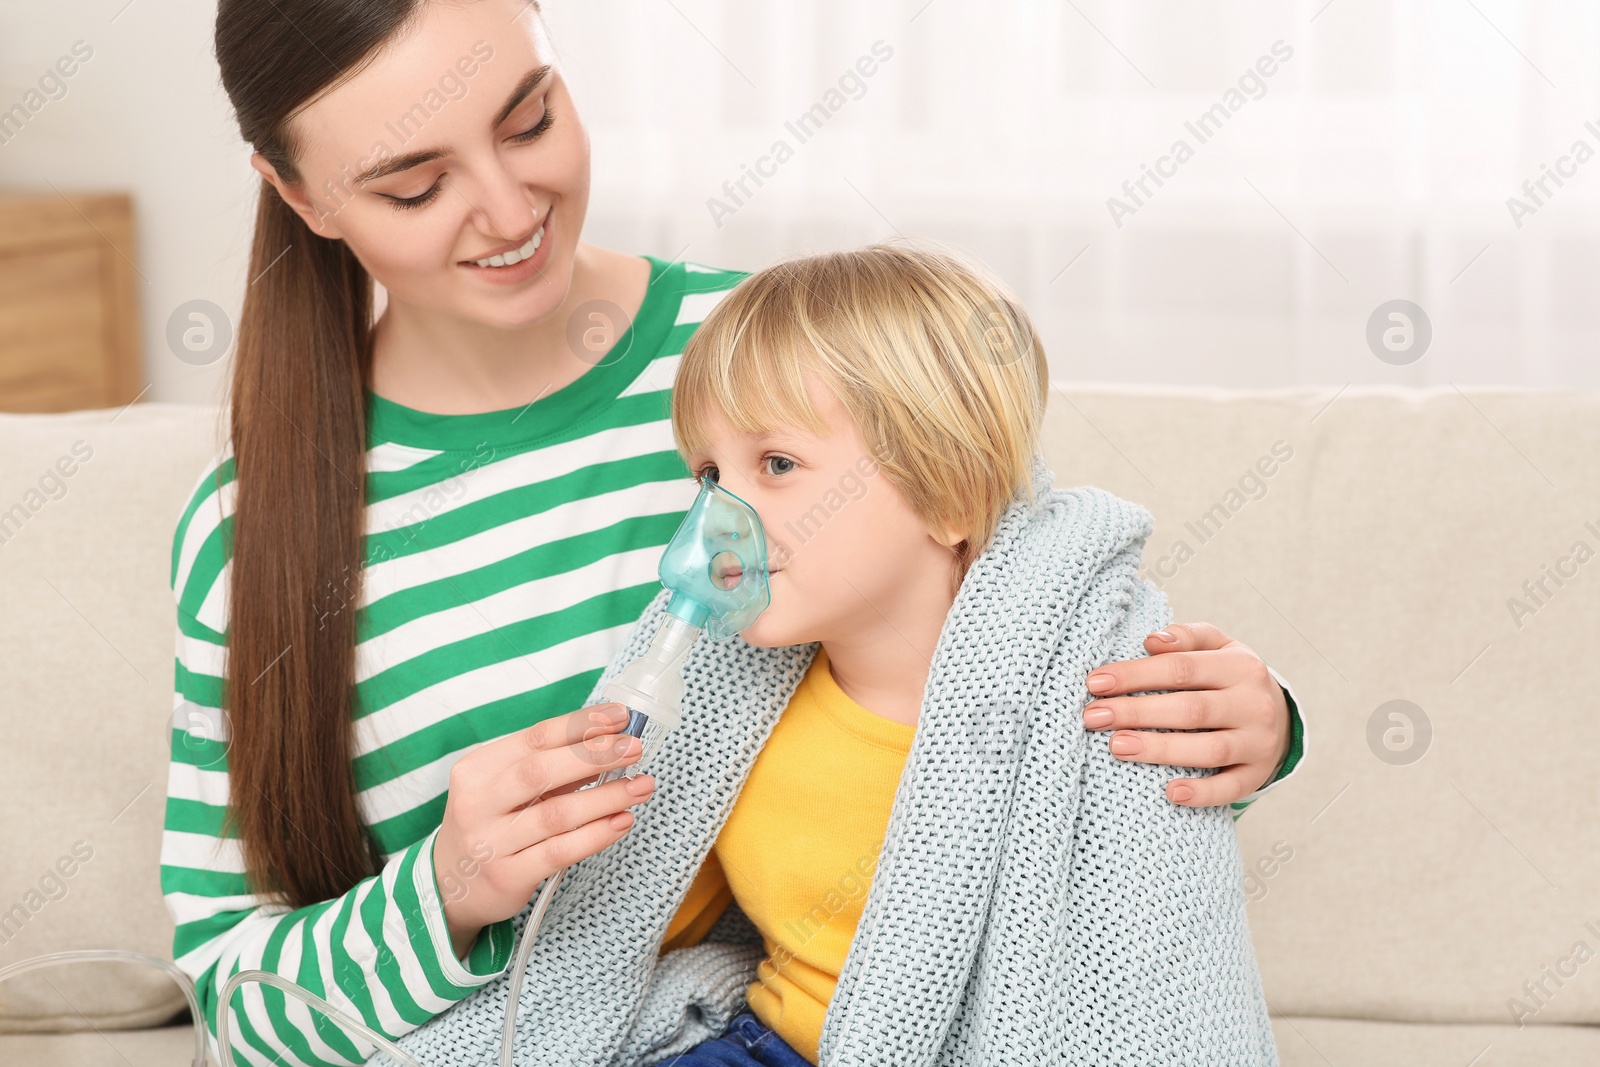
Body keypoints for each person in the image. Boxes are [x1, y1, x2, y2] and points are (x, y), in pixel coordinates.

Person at [163, 2, 1302, 1064]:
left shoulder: (765, 355)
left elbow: (1028, 634)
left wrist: (1243, 726)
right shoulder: (251, 535)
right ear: (300, 196)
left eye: (530, 120)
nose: (510, 212)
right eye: (414, 187)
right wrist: (448, 889)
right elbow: (235, 1000)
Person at [389, 241, 1277, 1067]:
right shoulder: (736, 700)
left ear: (950, 493)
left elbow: (1150, 860)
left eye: (776, 464)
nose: (717, 519)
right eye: (709, 475)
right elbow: (640, 913)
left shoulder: (1076, 687)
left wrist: (1266, 727)